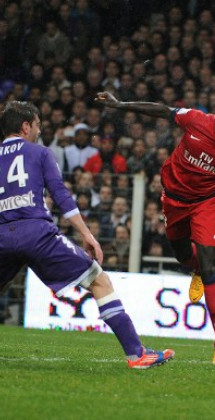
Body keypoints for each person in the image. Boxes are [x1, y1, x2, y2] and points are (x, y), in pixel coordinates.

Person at [95, 91, 215, 366]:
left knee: (212, 267)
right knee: (183, 256)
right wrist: (121, 104)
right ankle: (195, 268)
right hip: (174, 200)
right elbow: (162, 109)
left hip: (207, 203)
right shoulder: (196, 120)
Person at [0, 101, 173, 368]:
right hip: (36, 233)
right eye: (37, 126)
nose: (38, 131)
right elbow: (61, 196)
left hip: (2, 235)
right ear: (25, 126)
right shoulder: (40, 153)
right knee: (99, 280)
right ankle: (137, 355)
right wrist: (87, 235)